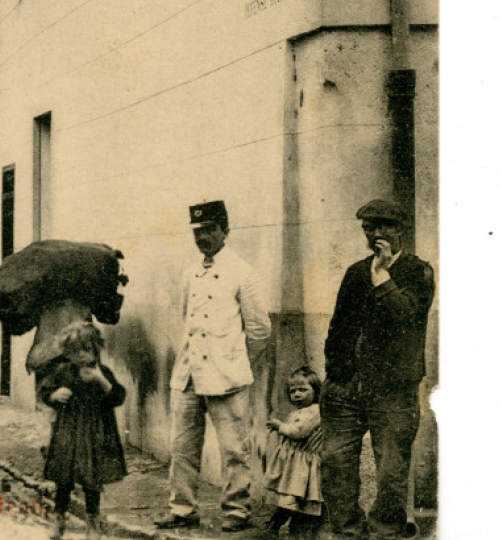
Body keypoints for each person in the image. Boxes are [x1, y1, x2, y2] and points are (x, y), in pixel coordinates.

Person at [320, 200, 435, 539]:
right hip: (345, 389)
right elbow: (338, 326)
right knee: (336, 465)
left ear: (400, 229)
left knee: (390, 472)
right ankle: (347, 532)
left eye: (384, 226)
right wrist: (336, 371)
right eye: (370, 227)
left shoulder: (419, 271)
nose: (376, 233)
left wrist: (383, 277)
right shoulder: (355, 272)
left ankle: (386, 532)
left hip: (392, 391)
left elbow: (407, 317)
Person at [155, 200, 270, 533]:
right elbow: (184, 318)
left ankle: (237, 510)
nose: (203, 237)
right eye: (198, 231)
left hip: (227, 376)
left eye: (209, 230)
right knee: (181, 446)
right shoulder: (189, 272)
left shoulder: (242, 272)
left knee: (234, 449)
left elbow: (260, 329)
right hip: (189, 374)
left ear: (225, 231)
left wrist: (236, 361)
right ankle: (182, 509)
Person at [37, 321, 127, 540]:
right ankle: (59, 517)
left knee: (91, 479)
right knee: (63, 477)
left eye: (84, 350)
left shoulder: (102, 372)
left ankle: (93, 522)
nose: (79, 356)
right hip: (68, 431)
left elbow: (118, 396)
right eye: (73, 352)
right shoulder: (63, 372)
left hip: (95, 432)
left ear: (95, 348)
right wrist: (54, 395)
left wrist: (101, 381)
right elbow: (45, 391)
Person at [264, 366, 325, 538]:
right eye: (293, 391)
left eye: (303, 390)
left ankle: (282, 524)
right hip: (295, 462)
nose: (297, 394)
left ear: (316, 390)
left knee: (295, 497)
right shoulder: (299, 411)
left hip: (303, 463)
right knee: (293, 496)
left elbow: (299, 432)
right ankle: (280, 524)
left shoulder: (315, 411)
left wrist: (280, 426)